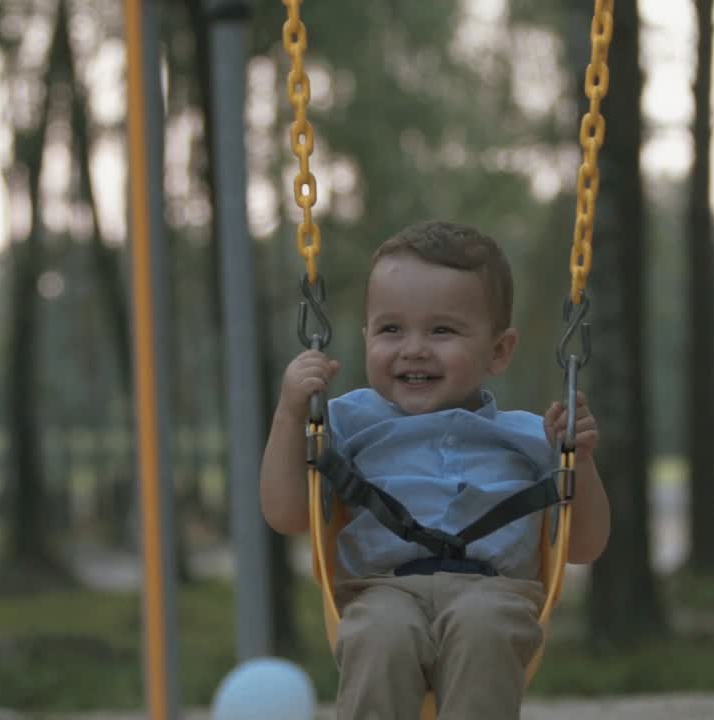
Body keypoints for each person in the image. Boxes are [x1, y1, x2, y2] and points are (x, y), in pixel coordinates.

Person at [260, 220, 610, 720]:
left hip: (493, 591)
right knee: (381, 637)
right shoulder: (345, 421)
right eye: (391, 329)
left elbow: (584, 546)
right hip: (381, 590)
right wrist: (290, 413)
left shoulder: (533, 436)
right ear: (366, 337)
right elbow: (286, 513)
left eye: (442, 330)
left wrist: (581, 461)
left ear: (498, 351)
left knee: (483, 626)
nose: (414, 348)